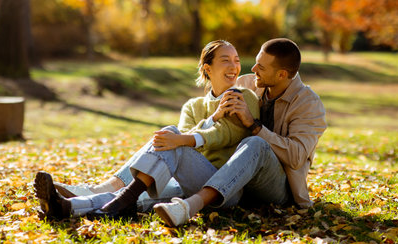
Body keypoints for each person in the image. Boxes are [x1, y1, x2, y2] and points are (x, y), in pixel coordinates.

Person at [34, 40, 260, 220]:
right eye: (225, 60)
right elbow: (181, 145)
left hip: (223, 185)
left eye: (236, 60)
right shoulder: (193, 106)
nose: (234, 67)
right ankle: (65, 207)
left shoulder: (244, 96)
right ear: (208, 68)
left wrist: (189, 136)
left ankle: (114, 191)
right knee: (142, 196)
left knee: (170, 136)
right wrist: (214, 117)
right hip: (187, 180)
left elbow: (228, 135)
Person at [153, 38, 327, 227]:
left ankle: (190, 206)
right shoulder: (247, 83)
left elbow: (297, 157)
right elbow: (213, 119)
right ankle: (119, 199)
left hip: (277, 187)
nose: (252, 69)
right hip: (234, 180)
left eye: (261, 66)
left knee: (256, 144)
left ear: (281, 74)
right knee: (161, 173)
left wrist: (254, 126)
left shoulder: (308, 103)